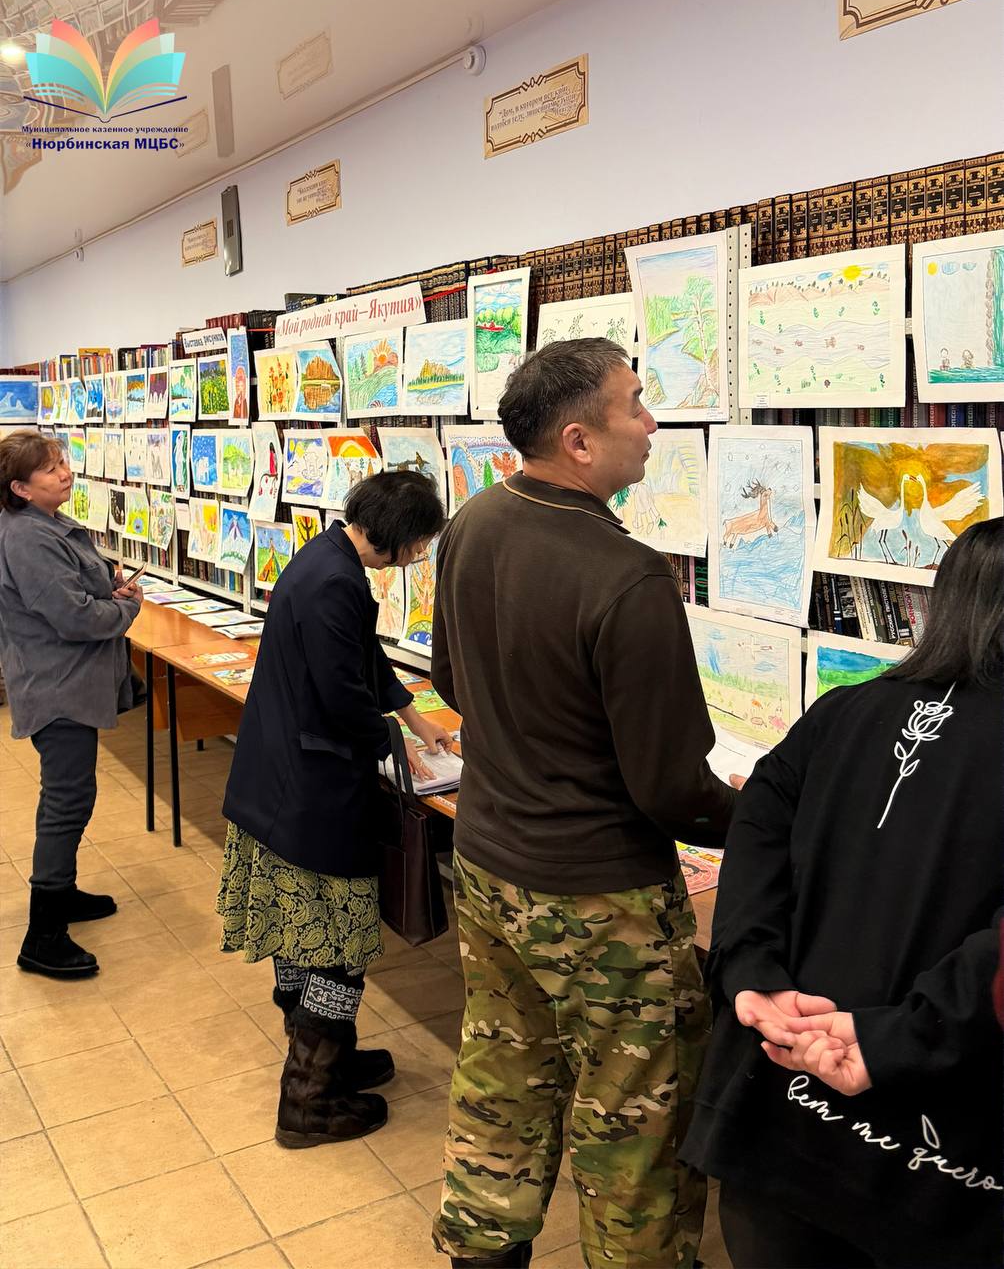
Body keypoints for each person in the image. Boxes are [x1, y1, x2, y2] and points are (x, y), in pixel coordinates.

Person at [430, 338, 738, 1268]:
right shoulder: (627, 574)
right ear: (578, 440)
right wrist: (760, 820)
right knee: (635, 1125)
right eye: (635, 404)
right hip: (600, 897)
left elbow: (451, 680)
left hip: (487, 863)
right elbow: (670, 788)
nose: (652, 423)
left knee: (503, 1071)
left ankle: (481, 1247)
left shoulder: (475, 521)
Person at [681, 518, 1003, 1269]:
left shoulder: (843, 710)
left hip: (779, 1110)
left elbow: (756, 818)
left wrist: (751, 973)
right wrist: (899, 1036)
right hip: (931, 1168)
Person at [220, 470, 452, 1149]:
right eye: (419, 542)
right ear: (397, 535)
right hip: (307, 799)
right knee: (332, 946)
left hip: (279, 786)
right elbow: (340, 692)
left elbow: (361, 656)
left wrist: (413, 718)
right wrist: (391, 746)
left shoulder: (327, 559)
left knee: (302, 939)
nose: (418, 555)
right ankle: (309, 1101)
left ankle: (334, 1058)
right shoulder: (335, 582)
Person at [0, 431, 143, 979]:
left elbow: (80, 588)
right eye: (50, 468)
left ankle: (62, 894)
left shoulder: (45, 523)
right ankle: (43, 934)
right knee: (66, 800)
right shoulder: (27, 537)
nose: (65, 472)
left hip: (65, 680)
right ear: (20, 488)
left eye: (63, 461)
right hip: (56, 686)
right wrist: (126, 609)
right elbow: (75, 617)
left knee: (72, 794)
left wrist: (110, 588)